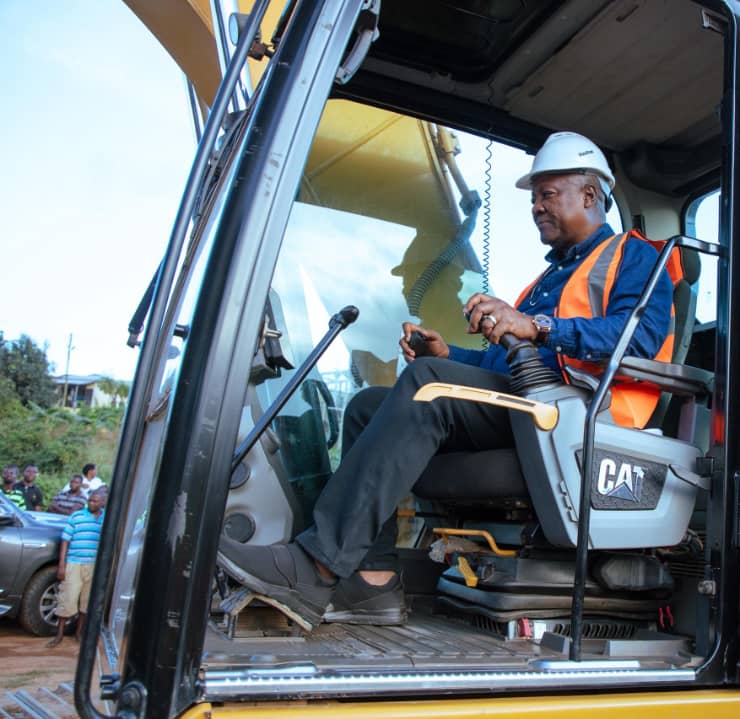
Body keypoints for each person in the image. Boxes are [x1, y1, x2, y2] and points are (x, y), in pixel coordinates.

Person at [218, 131, 674, 628]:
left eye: (546, 194)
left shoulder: (635, 256)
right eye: (534, 198)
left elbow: (639, 339)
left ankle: (316, 565)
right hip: (530, 406)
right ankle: (372, 581)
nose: (536, 207)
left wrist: (538, 326)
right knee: (370, 405)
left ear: (588, 195)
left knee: (428, 383)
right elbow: (505, 363)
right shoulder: (546, 280)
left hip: (580, 416)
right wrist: (448, 354)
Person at [48, 487, 108, 648]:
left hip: (93, 565)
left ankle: (78, 633)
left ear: (103, 502)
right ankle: (59, 635)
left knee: (86, 601)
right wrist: (62, 564)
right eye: (90, 500)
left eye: (95, 501)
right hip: (74, 563)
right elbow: (65, 540)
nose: (91, 503)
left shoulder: (107, 519)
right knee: (67, 597)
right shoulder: (77, 516)